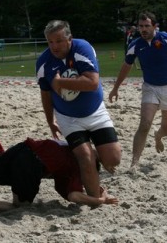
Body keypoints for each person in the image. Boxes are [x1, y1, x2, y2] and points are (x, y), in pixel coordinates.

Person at [36, 20, 121, 199]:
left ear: (70, 39)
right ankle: (96, 197)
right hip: (68, 118)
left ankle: (97, 153)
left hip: (95, 112)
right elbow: (46, 94)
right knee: (84, 156)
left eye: (59, 41)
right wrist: (50, 121)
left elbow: (92, 83)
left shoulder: (83, 49)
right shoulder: (43, 63)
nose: (54, 46)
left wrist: (60, 82)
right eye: (50, 42)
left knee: (113, 159)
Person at [108, 11, 167, 173]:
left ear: (155, 26)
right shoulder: (135, 45)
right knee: (144, 124)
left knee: (166, 129)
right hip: (150, 87)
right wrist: (115, 88)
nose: (143, 29)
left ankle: (158, 136)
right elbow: (126, 66)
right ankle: (134, 163)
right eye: (141, 26)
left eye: (147, 26)